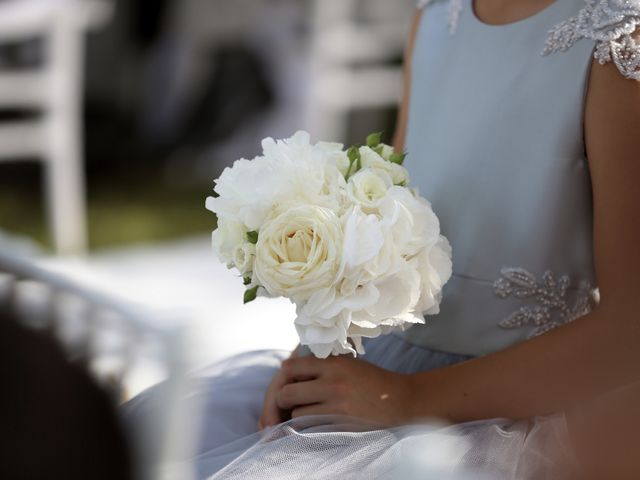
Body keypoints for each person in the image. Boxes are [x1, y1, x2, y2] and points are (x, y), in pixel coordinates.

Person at [124, 0, 640, 477]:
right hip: (384, 364)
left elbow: (627, 332)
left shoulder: (616, 43)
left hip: (510, 408)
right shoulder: (438, 14)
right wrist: (310, 358)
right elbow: (391, 216)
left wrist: (408, 399)